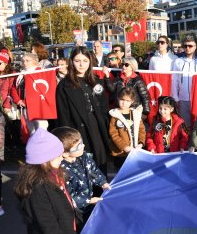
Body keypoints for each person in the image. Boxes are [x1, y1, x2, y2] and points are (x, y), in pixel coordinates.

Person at [56, 46, 109, 175]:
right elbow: (63, 115)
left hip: (97, 129)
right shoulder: (64, 85)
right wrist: (68, 140)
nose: (81, 64)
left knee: (99, 166)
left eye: (85, 61)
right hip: (77, 132)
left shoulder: (96, 81)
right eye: (77, 61)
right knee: (82, 169)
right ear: (71, 62)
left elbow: (103, 107)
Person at [14, 129, 76, 234]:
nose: (62, 158)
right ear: (44, 160)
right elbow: (48, 226)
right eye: (58, 156)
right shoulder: (37, 189)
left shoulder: (54, 172)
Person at [52, 126, 110, 228]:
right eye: (78, 146)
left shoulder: (84, 157)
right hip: (75, 209)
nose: (83, 146)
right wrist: (89, 200)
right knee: (80, 227)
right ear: (65, 153)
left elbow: (94, 171)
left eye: (81, 142)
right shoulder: (62, 170)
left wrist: (103, 183)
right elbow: (68, 196)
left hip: (89, 202)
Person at [109, 87, 146, 169]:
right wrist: (125, 147)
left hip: (135, 151)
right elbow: (113, 134)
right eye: (122, 100)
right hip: (120, 153)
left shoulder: (136, 114)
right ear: (118, 99)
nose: (124, 103)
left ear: (132, 101)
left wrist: (140, 143)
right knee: (121, 174)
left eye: (127, 101)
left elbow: (142, 130)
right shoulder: (114, 115)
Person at [171, 36, 197, 128]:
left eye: (190, 46)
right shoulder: (178, 61)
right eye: (185, 46)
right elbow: (174, 80)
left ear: (195, 46)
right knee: (185, 126)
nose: (187, 48)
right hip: (183, 99)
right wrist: (175, 98)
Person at [15, 53, 49, 134]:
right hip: (24, 107)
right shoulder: (21, 74)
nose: (25, 63)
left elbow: (42, 91)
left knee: (41, 130)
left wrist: (26, 102)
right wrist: (18, 100)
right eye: (23, 61)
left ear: (34, 61)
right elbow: (14, 88)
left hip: (38, 107)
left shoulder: (41, 72)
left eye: (27, 61)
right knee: (31, 132)